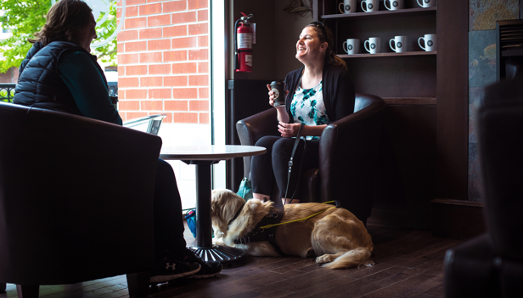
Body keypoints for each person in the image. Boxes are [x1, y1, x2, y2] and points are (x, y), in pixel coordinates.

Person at [13, 0, 221, 283]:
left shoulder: (34, 59)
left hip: (33, 171)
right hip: (66, 172)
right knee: (158, 170)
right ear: (77, 27)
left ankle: (170, 255)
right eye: (92, 27)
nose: (95, 35)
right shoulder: (71, 57)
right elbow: (107, 122)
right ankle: (170, 256)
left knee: (152, 166)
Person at [251, 21, 355, 205]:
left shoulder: (338, 77)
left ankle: (291, 213)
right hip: (297, 143)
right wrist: (280, 107)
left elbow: (342, 127)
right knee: (263, 144)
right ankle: (259, 213)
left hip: (324, 147)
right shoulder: (292, 77)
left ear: (323, 47)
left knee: (281, 146)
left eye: (307, 37)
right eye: (299, 37)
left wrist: (304, 130)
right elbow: (285, 125)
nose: (300, 41)